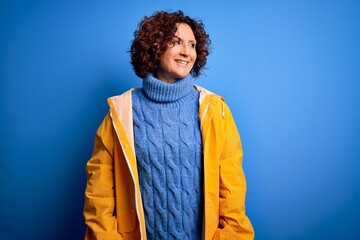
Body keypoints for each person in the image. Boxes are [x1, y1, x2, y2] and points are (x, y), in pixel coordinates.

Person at [83, 10, 254, 240]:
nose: (186, 52)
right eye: (176, 42)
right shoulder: (120, 113)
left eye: (192, 45)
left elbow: (232, 194)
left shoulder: (215, 110)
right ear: (154, 47)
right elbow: (99, 198)